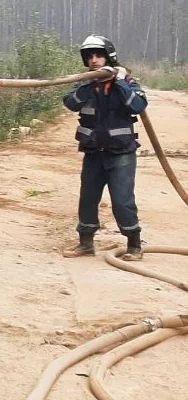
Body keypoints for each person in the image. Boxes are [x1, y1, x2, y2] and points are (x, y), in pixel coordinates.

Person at [61, 35, 148, 259]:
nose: (94, 60)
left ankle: (134, 245)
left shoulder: (126, 82)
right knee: (88, 198)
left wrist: (118, 82)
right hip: (93, 152)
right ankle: (86, 244)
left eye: (99, 55)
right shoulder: (85, 84)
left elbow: (138, 105)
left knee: (122, 200)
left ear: (109, 57)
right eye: (90, 57)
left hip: (121, 153)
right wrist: (90, 85)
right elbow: (70, 103)